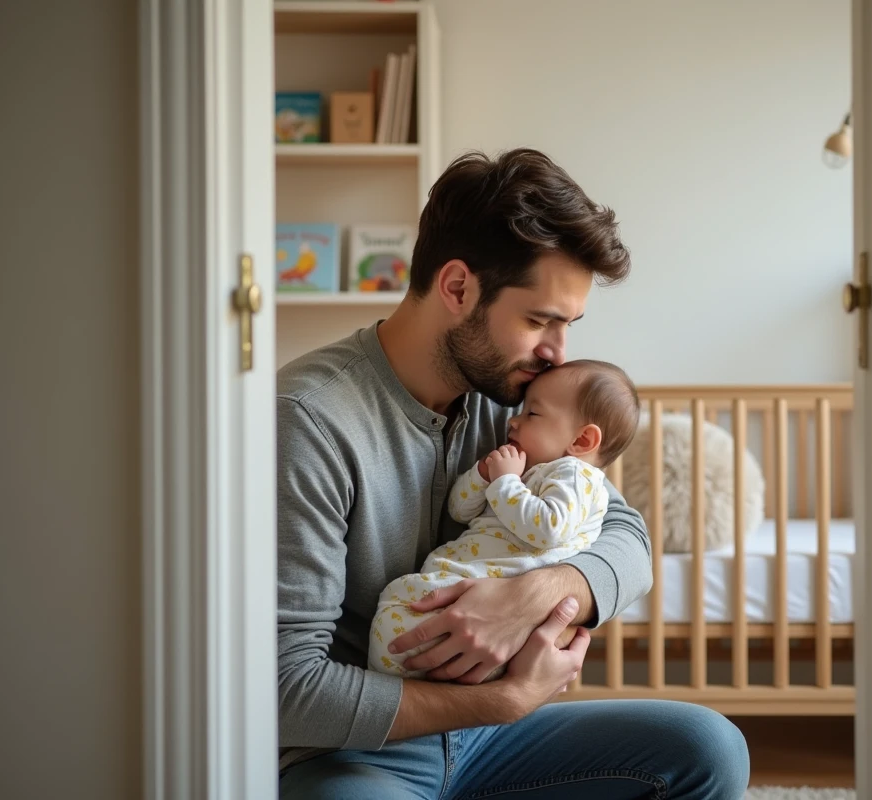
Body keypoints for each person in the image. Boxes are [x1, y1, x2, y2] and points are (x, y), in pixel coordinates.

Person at [277, 148, 750, 799]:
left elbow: (626, 535)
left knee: (708, 749)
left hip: (489, 742)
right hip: (359, 751)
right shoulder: (310, 418)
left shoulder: (518, 401)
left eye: (568, 325)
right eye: (539, 321)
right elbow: (286, 689)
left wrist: (550, 588)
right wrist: (502, 701)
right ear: (457, 288)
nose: (559, 353)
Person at [368, 360, 639, 680]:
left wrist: (505, 482)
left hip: (490, 593)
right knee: (397, 602)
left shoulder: (577, 476)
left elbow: (548, 529)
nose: (513, 421)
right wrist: (483, 477)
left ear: (581, 441)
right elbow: (459, 510)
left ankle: (406, 685)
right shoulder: (529, 470)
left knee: (400, 610)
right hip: (472, 589)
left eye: (532, 414)